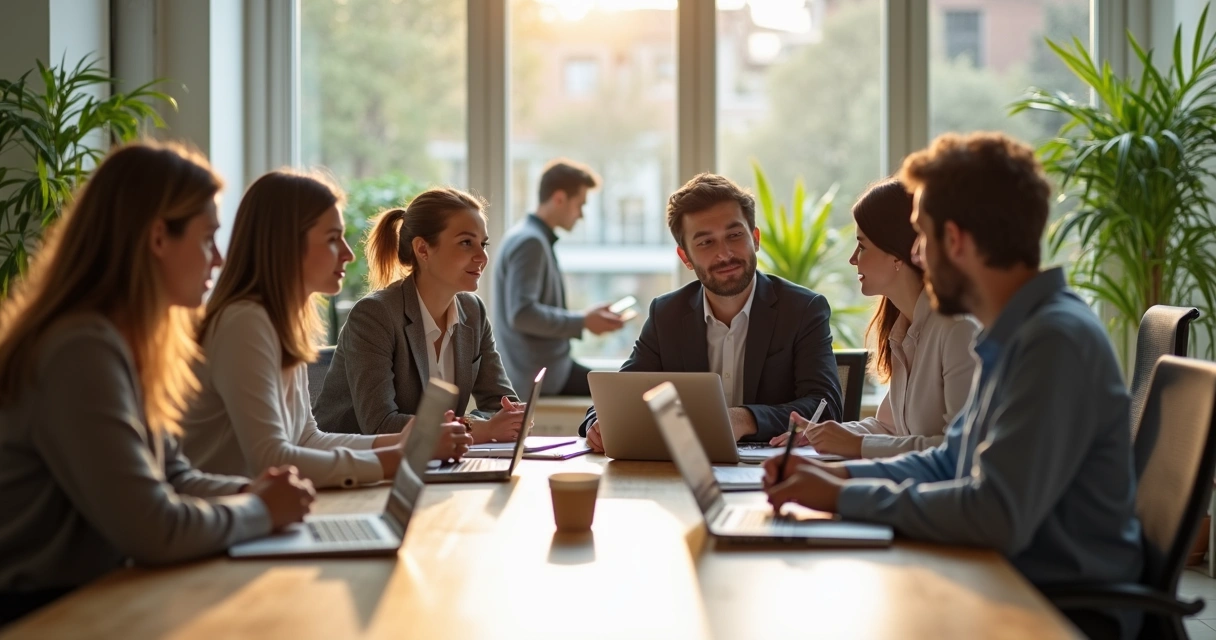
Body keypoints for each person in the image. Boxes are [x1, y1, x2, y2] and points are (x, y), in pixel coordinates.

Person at [762, 132, 1142, 640]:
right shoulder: (1014, 334)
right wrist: (840, 483)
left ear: (956, 240)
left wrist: (843, 498)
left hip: (1049, 608)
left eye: (921, 235)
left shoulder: (1052, 342)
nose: (916, 252)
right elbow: (950, 460)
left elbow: (994, 514)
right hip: (1005, 579)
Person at [0, 142, 315, 624]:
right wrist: (260, 510)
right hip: (42, 614)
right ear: (157, 239)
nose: (218, 259)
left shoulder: (125, 341)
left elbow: (175, 477)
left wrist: (254, 490)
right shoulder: (79, 349)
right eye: (208, 238)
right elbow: (152, 527)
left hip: (96, 594)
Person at [180, 171, 472, 490]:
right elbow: (271, 457)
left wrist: (402, 444)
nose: (347, 253)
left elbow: (307, 438)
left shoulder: (278, 323)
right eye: (333, 239)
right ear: (286, 243)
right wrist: (399, 457)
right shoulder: (244, 323)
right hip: (226, 522)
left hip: (260, 517)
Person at [581, 173, 843, 449]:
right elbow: (615, 398)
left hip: (775, 471)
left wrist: (744, 419)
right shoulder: (666, 314)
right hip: (685, 471)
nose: (725, 253)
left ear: (755, 239)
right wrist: (598, 423)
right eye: (706, 242)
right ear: (686, 258)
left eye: (734, 235)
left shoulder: (802, 309)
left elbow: (825, 408)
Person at [769, 179, 978, 459]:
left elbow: (961, 451)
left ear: (897, 254)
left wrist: (855, 445)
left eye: (862, 246)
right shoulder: (903, 330)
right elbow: (888, 427)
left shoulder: (958, 330)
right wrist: (823, 434)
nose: (853, 259)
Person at [315, 187, 526, 443]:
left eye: (483, 244)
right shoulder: (374, 315)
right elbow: (381, 424)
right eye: (466, 243)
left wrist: (505, 420)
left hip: (432, 463)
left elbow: (502, 405)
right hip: (356, 468)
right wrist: (477, 429)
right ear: (423, 249)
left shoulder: (473, 312)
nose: (482, 257)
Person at [493, 159, 625, 396]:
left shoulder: (526, 236)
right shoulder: (530, 242)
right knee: (618, 395)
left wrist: (586, 319)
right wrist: (584, 321)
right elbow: (522, 315)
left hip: (543, 370)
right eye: (580, 205)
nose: (581, 215)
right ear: (560, 198)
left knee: (616, 390)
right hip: (542, 376)